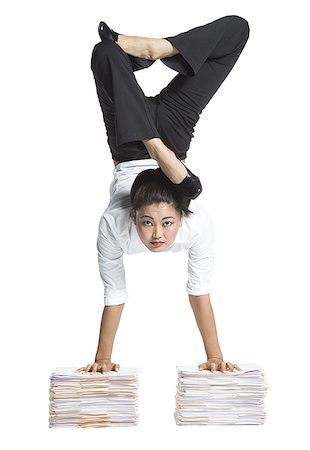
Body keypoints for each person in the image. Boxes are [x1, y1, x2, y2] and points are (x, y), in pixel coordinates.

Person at [76, 15, 250, 375]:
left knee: (105, 53)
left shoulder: (114, 224)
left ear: (179, 218)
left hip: (127, 141)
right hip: (173, 136)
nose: (157, 234)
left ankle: (160, 49)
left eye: (165, 223)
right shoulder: (195, 223)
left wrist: (102, 359)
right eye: (151, 223)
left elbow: (120, 295)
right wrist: (216, 355)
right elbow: (196, 292)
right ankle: (156, 73)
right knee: (237, 32)